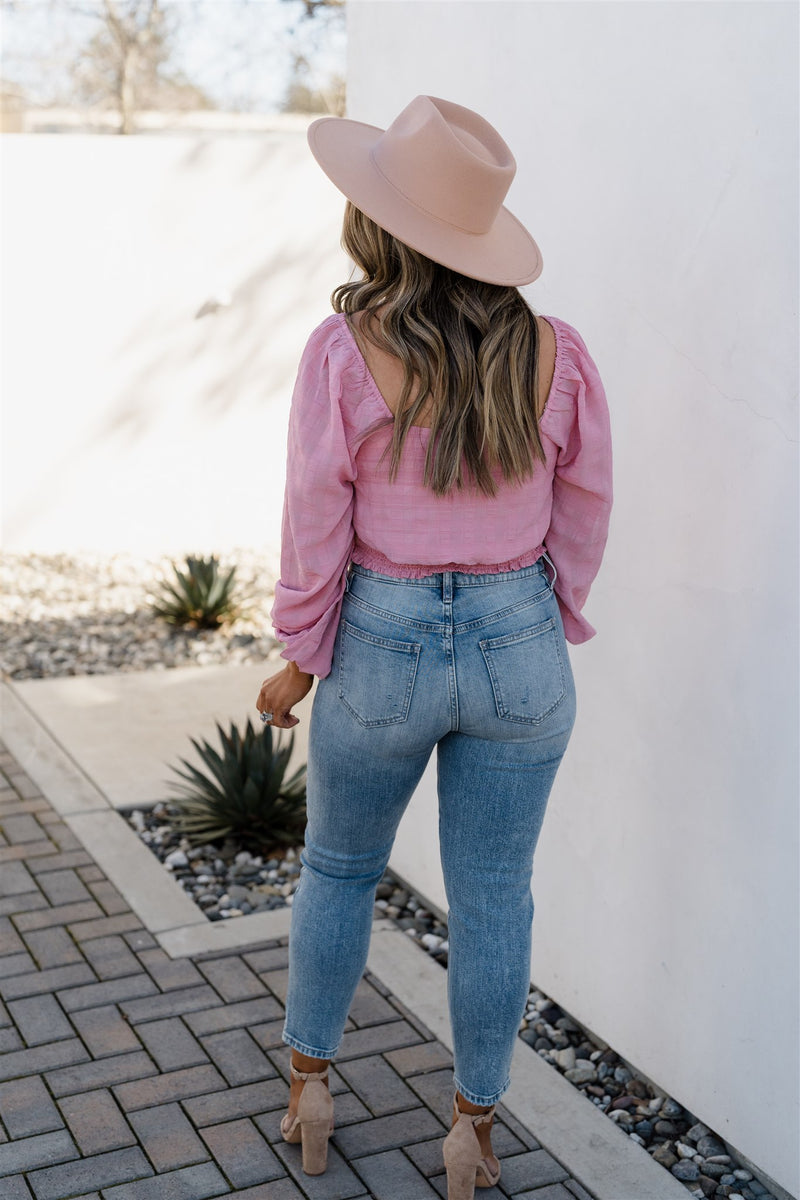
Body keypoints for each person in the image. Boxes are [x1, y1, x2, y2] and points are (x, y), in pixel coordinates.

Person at [256, 94, 613, 1199]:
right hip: (518, 644)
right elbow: (584, 505)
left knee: (339, 870)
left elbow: (316, 519)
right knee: (496, 895)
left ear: (383, 227)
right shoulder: (554, 352)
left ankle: (310, 1086)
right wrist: (543, 614)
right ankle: (470, 1131)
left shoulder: (341, 350)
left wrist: (298, 652)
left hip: (380, 639)